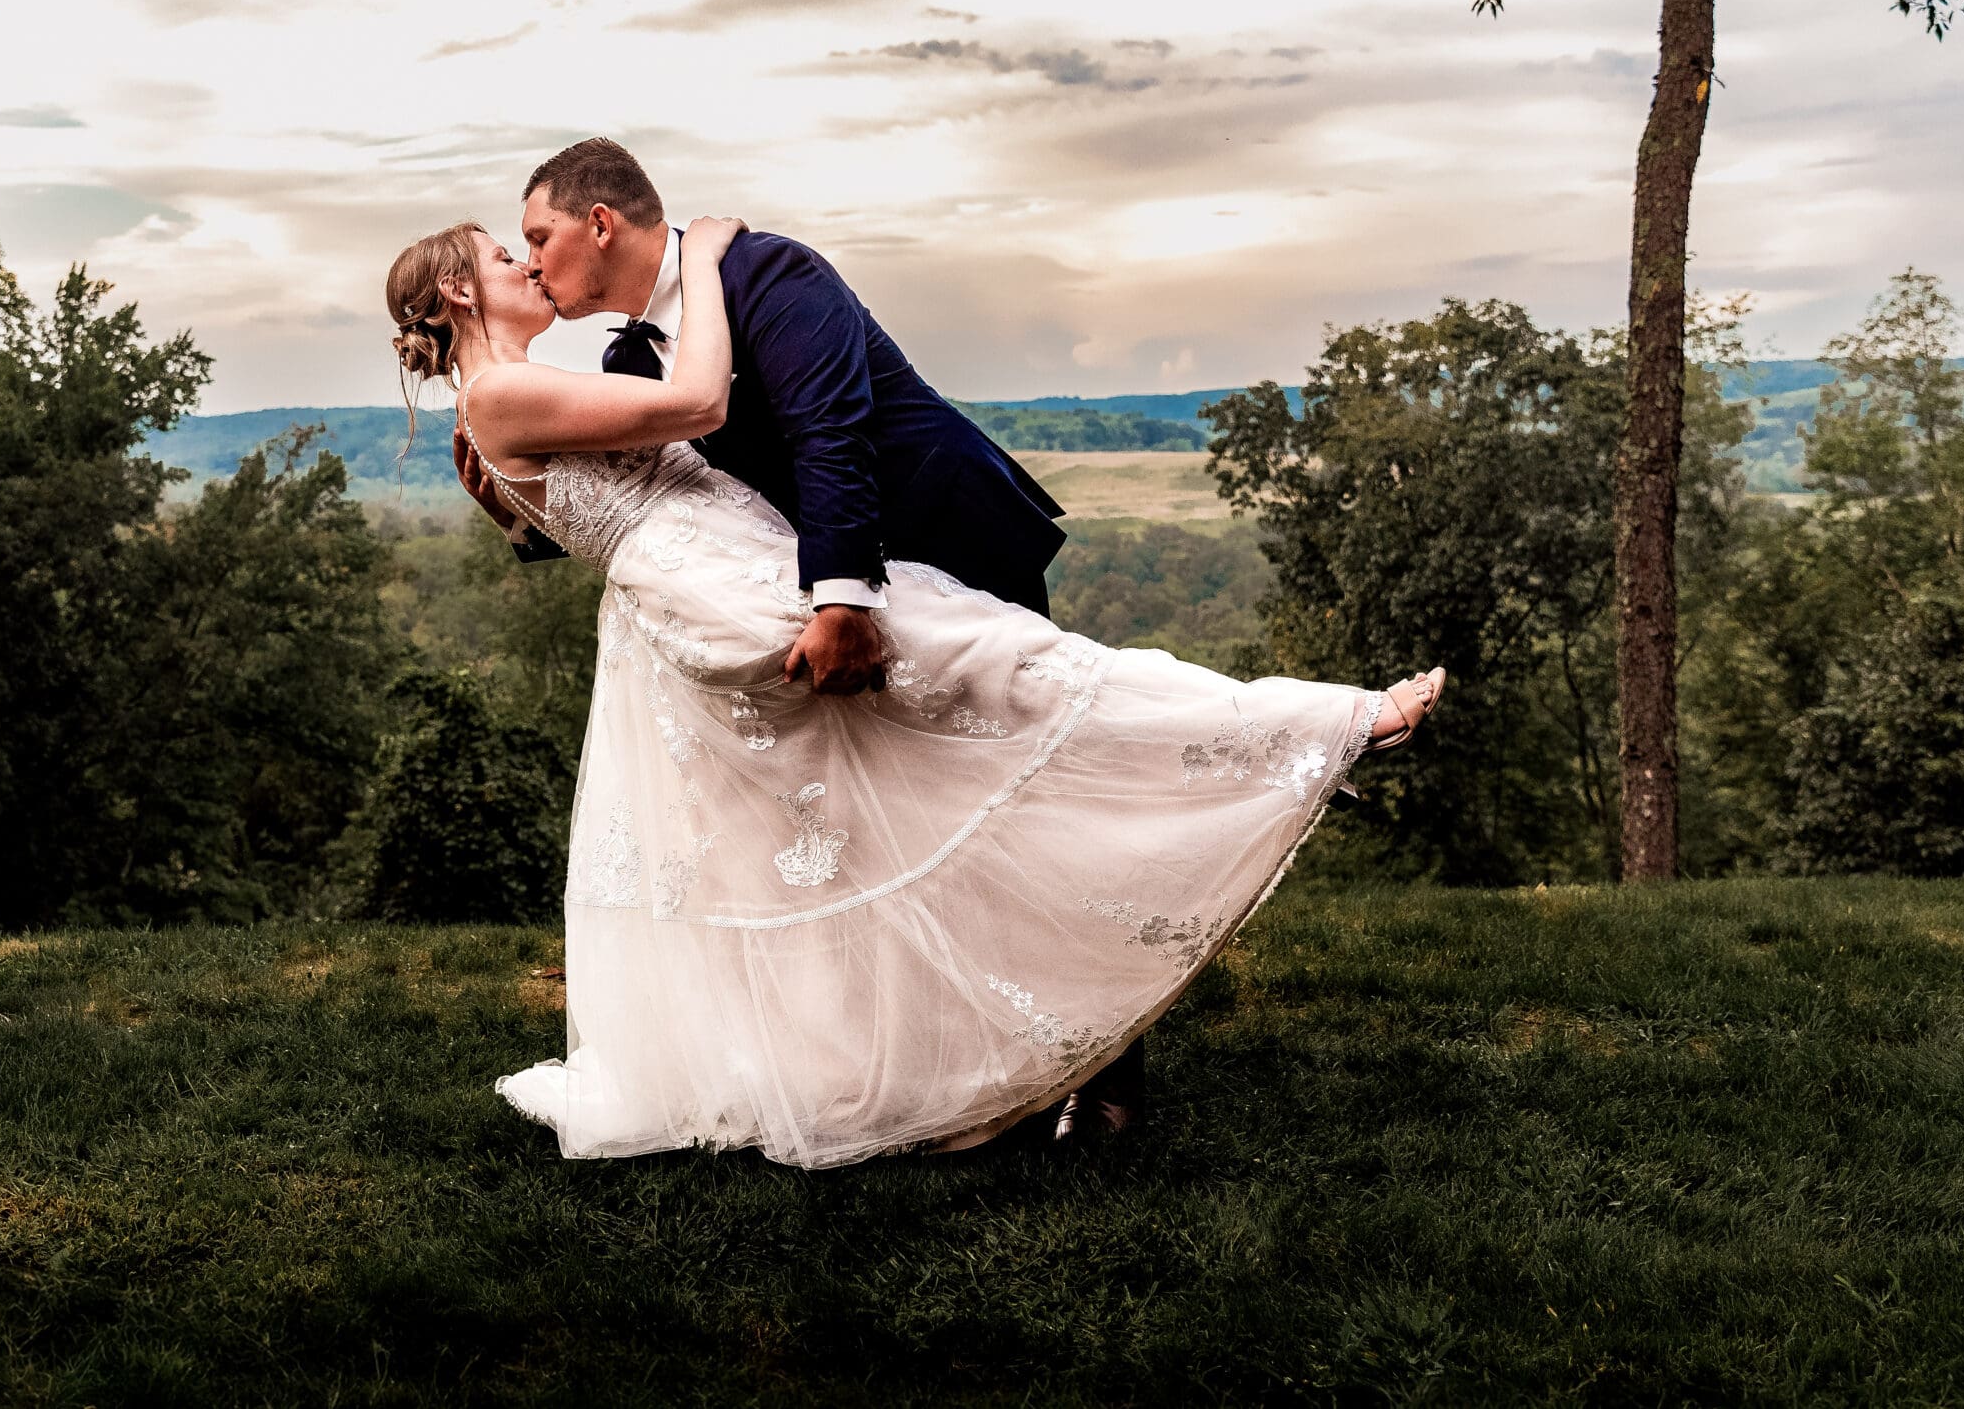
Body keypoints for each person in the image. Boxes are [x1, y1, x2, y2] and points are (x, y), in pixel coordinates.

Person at [385, 162, 1446, 1170]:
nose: (529, 260)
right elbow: (669, 441)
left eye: (536, 236)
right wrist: (700, 263)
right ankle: (1316, 736)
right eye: (510, 250)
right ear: (457, 289)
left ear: (600, 223)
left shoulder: (770, 274)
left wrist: (842, 588)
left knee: (1025, 724)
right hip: (761, 600)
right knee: (944, 767)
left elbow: (828, 428)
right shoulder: (615, 354)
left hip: (912, 541)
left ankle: (1108, 1026)